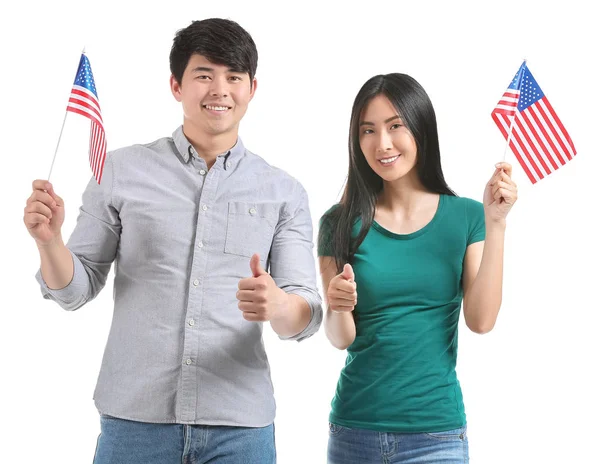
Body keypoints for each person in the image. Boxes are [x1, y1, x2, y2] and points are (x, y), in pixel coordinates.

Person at [23, 18, 322, 464]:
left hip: (239, 429)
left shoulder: (284, 192)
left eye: (233, 77)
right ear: (176, 85)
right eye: (204, 75)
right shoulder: (120, 172)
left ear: (251, 89)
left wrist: (278, 304)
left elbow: (305, 312)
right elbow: (75, 289)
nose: (219, 89)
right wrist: (50, 242)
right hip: (134, 424)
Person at [318, 73, 518, 463]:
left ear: (421, 129)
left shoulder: (467, 217)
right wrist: (338, 305)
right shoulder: (338, 222)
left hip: (436, 435)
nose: (383, 144)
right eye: (368, 131)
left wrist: (496, 223)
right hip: (353, 432)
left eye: (396, 126)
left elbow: (481, 320)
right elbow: (341, 337)